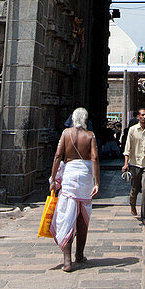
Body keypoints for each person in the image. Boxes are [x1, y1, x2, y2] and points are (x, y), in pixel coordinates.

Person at [48, 107, 100, 272]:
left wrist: (52, 178)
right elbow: (95, 158)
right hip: (85, 177)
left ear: (73, 119)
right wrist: (97, 182)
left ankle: (67, 261)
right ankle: (80, 254)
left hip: (70, 175)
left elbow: (58, 156)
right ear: (85, 119)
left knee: (67, 216)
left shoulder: (66, 134)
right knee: (83, 215)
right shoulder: (90, 135)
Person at [122, 106, 145, 225]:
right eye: (142, 115)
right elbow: (127, 148)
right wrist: (126, 163)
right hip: (135, 163)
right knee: (135, 189)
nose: (144, 117)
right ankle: (132, 204)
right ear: (138, 117)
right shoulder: (132, 130)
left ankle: (144, 216)